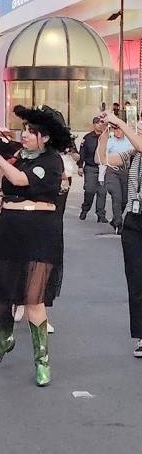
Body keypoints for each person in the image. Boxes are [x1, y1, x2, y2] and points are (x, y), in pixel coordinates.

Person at [0, 105, 71, 387]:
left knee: (33, 298)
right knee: (0, 294)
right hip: (9, 228)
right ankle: (4, 341)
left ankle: (42, 362)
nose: (25, 134)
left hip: (40, 232)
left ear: (45, 137)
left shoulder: (52, 162)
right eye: (24, 129)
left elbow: (18, 180)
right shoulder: (17, 154)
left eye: (32, 131)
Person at [97, 111, 142, 358]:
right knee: (136, 280)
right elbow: (102, 158)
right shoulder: (131, 155)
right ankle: (141, 337)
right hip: (134, 221)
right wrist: (105, 131)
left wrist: (121, 123)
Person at [104, 123, 134, 234]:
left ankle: (116, 219)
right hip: (112, 171)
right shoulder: (110, 141)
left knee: (125, 200)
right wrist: (101, 176)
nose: (117, 132)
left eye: (119, 129)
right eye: (115, 129)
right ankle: (118, 224)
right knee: (117, 197)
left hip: (125, 171)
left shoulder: (129, 141)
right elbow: (103, 159)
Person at [78, 117, 108, 223]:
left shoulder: (107, 137)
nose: (100, 125)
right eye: (98, 123)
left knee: (102, 192)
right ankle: (85, 210)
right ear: (94, 124)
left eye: (102, 123)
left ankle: (101, 215)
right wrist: (80, 166)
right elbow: (82, 152)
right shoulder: (88, 138)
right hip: (91, 167)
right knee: (89, 190)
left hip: (103, 168)